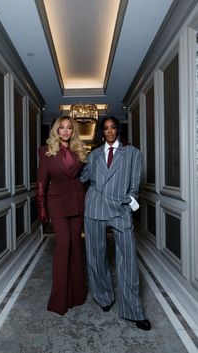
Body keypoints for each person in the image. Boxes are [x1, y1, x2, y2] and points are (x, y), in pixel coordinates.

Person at [80, 116, 151, 330]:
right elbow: (82, 178)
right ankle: (104, 297)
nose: (109, 131)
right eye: (106, 128)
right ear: (101, 132)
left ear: (117, 130)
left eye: (113, 127)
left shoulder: (132, 154)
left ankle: (133, 310)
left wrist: (128, 204)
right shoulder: (93, 156)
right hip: (94, 208)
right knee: (95, 256)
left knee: (128, 259)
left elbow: (134, 187)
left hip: (119, 210)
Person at [37, 116, 88, 315]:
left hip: (77, 203)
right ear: (56, 131)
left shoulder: (79, 151)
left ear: (72, 131)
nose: (65, 131)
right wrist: (41, 207)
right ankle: (59, 299)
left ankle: (77, 294)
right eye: (61, 128)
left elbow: (84, 178)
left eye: (69, 128)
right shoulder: (46, 151)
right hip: (56, 204)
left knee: (76, 246)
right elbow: (41, 181)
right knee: (64, 244)